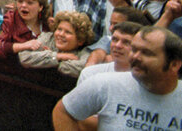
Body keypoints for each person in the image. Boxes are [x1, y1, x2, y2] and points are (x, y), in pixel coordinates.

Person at [52, 27, 182, 130]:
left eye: (147, 53)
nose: (136, 57)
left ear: (174, 64)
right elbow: (63, 112)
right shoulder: (106, 83)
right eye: (134, 49)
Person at [19, 11, 94, 78]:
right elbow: (24, 57)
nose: (61, 34)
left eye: (68, 32)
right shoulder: (48, 38)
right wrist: (57, 56)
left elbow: (84, 69)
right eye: (59, 29)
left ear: (80, 40)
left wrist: (46, 58)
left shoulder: (86, 51)